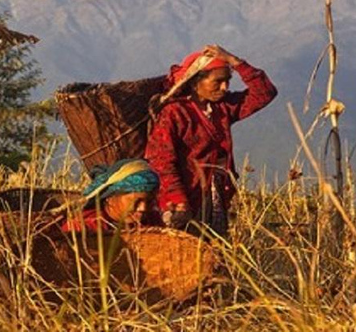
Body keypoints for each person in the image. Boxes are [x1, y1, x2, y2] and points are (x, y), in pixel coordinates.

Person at [145, 45, 277, 236]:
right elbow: (161, 160)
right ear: (195, 82)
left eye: (227, 81)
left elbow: (264, 93)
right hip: (185, 200)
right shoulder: (174, 113)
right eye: (218, 81)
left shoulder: (222, 108)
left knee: (215, 254)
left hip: (216, 197)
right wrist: (177, 200)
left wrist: (235, 61)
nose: (225, 87)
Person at [61, 158, 161, 233]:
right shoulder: (83, 229)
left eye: (150, 201)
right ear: (110, 197)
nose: (143, 208)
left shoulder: (153, 222)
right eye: (136, 201)